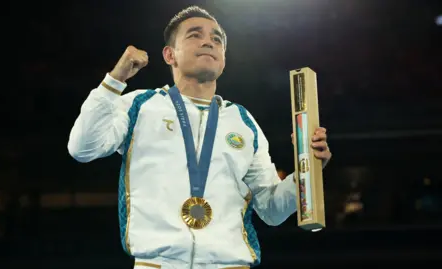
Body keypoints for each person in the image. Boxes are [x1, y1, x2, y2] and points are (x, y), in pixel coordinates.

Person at [67, 6, 332, 269]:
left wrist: (307, 170)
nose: (208, 41)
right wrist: (116, 79)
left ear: (223, 59)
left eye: (216, 39)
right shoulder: (141, 106)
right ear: (170, 54)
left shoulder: (242, 121)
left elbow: (272, 210)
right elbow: (82, 147)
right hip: (158, 264)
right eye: (195, 35)